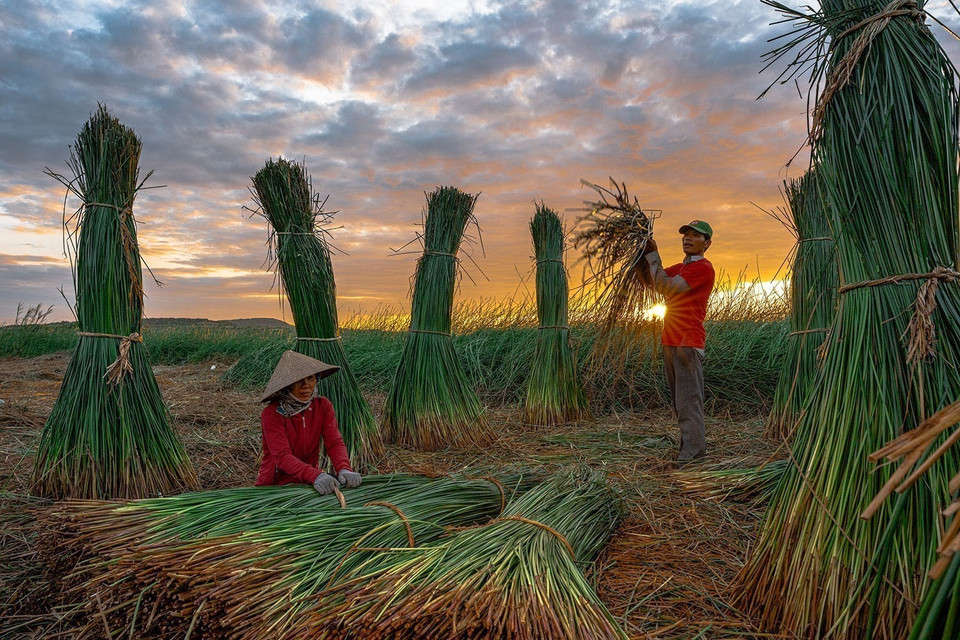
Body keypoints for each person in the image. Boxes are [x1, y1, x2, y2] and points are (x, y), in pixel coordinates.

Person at [643, 220, 716, 465]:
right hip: (671, 340)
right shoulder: (682, 267)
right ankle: (688, 448)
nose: (688, 238)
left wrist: (654, 254)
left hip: (688, 342)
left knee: (689, 401)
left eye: (696, 235)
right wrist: (642, 252)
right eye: (686, 234)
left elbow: (665, 286)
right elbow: (652, 281)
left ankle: (693, 455)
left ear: (707, 243)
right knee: (679, 400)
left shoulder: (703, 268)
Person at [255, 350, 362, 494]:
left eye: (310, 378)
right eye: (299, 380)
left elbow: (334, 442)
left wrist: (344, 468)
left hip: (308, 483)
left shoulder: (322, 406)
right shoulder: (272, 413)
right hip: (276, 485)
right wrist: (315, 475)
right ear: (287, 385)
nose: (306, 385)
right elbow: (282, 457)